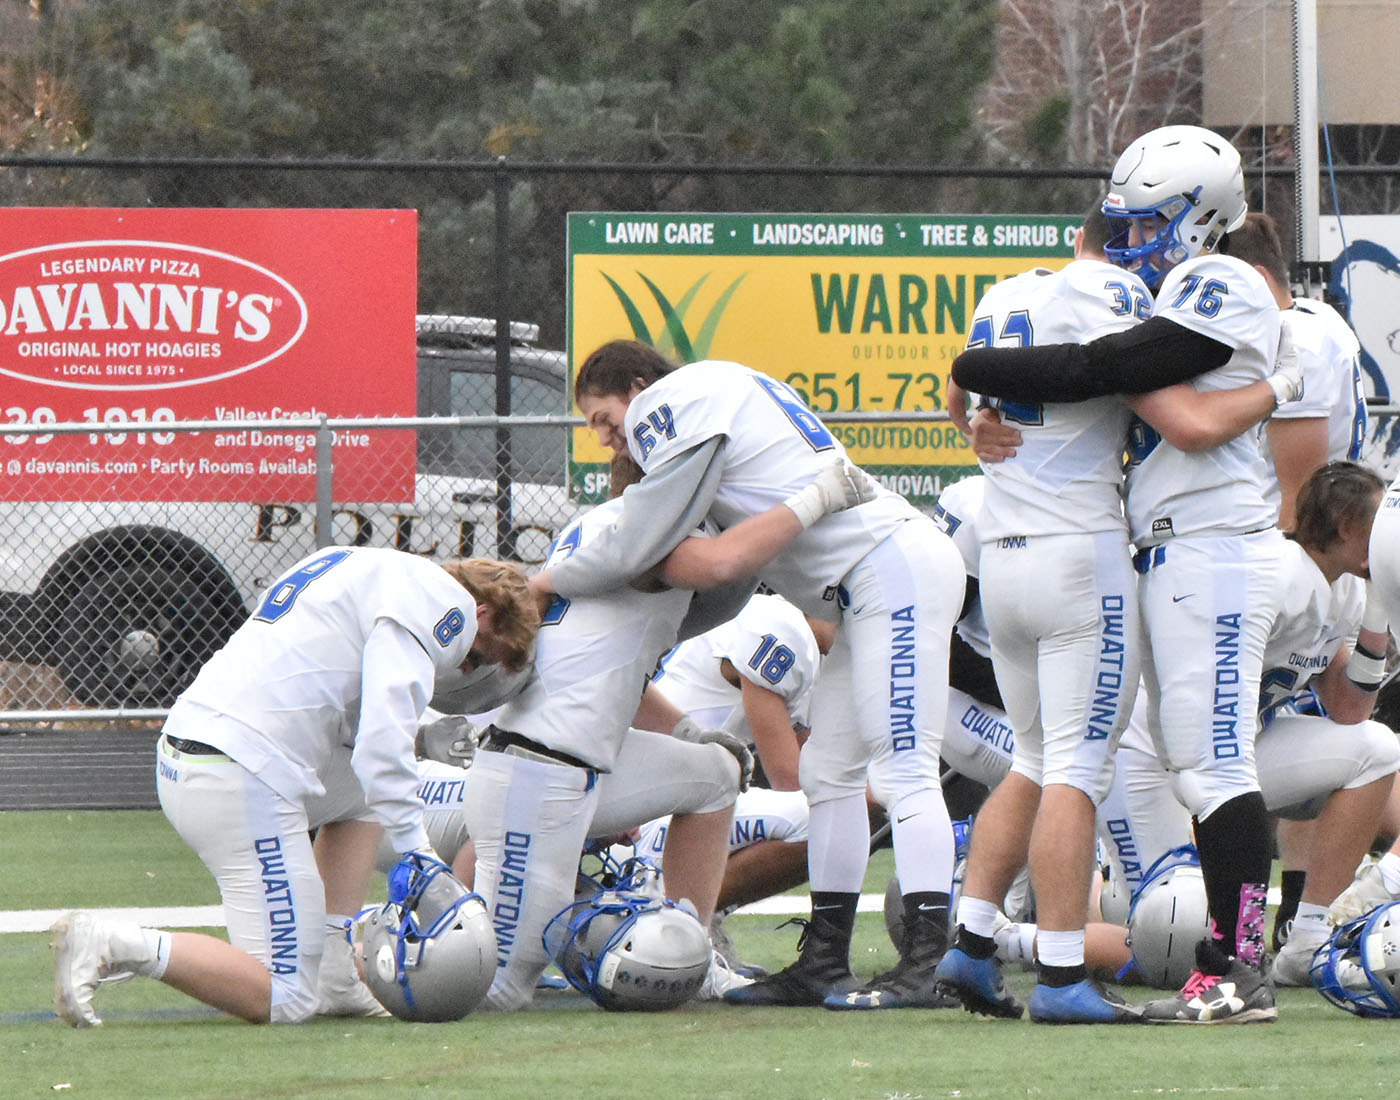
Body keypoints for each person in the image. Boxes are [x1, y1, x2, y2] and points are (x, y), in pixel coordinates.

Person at [952, 124, 1302, 1024]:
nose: (1135, 236)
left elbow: (1128, 384)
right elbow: (1093, 379)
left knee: (1214, 764)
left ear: (1206, 219)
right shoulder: (1168, 285)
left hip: (1215, 547)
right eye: (1127, 218)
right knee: (1192, 761)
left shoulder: (1216, 279)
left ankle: (1243, 967)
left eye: (1154, 220)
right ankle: (1234, 960)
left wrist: (974, 371)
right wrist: (980, 409)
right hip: (1171, 549)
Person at [535, 341, 968, 1009]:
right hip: (868, 580)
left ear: (640, 385)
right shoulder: (717, 405)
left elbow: (670, 557)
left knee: (905, 765)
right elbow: (724, 579)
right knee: (829, 775)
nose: (604, 439)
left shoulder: (670, 404)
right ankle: (824, 960)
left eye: (600, 416)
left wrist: (543, 581)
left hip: (890, 565)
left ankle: (928, 964)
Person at [462, 449, 879, 1010]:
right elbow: (728, 566)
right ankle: (370, 956)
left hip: (580, 763)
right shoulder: (651, 540)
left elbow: (621, 670)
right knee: (497, 990)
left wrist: (687, 733)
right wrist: (814, 499)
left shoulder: (595, 527)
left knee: (715, 773)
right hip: (536, 775)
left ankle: (693, 946)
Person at [51, 547, 539, 1027]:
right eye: (476, 657)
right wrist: (419, 852)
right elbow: (380, 749)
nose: (465, 669)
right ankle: (114, 942)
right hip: (241, 773)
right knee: (284, 995)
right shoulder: (445, 604)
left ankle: (335, 974)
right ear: (481, 612)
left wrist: (417, 739)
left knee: (365, 793)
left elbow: (339, 714)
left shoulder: (360, 562)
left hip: (207, 748)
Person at [1217, 211, 1370, 949]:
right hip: (1167, 766)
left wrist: (1375, 628)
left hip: (1239, 743)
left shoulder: (1331, 578)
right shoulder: (1281, 574)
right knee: (1170, 926)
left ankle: (1300, 936)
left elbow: (1346, 711)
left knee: (1372, 750)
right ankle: (1015, 929)